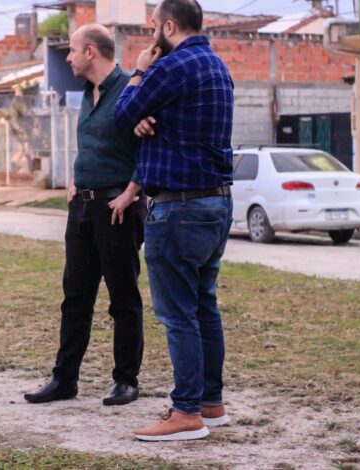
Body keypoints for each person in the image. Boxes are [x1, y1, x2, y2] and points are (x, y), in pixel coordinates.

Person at [114, 0, 235, 441]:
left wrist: (140, 71)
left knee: (177, 313)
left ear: (168, 25)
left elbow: (120, 115)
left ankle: (186, 413)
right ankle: (211, 402)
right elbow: (166, 121)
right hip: (215, 204)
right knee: (204, 306)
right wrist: (152, 118)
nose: (151, 38)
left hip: (178, 208)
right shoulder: (217, 67)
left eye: (153, 28)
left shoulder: (170, 66)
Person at [24, 24, 145, 407]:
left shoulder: (132, 89)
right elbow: (93, 146)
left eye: (73, 51)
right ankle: (65, 380)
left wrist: (131, 192)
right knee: (75, 298)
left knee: (123, 298)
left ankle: (126, 380)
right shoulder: (85, 95)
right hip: (82, 209)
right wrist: (75, 181)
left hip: (117, 209)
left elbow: (152, 146)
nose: (69, 58)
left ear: (91, 51)